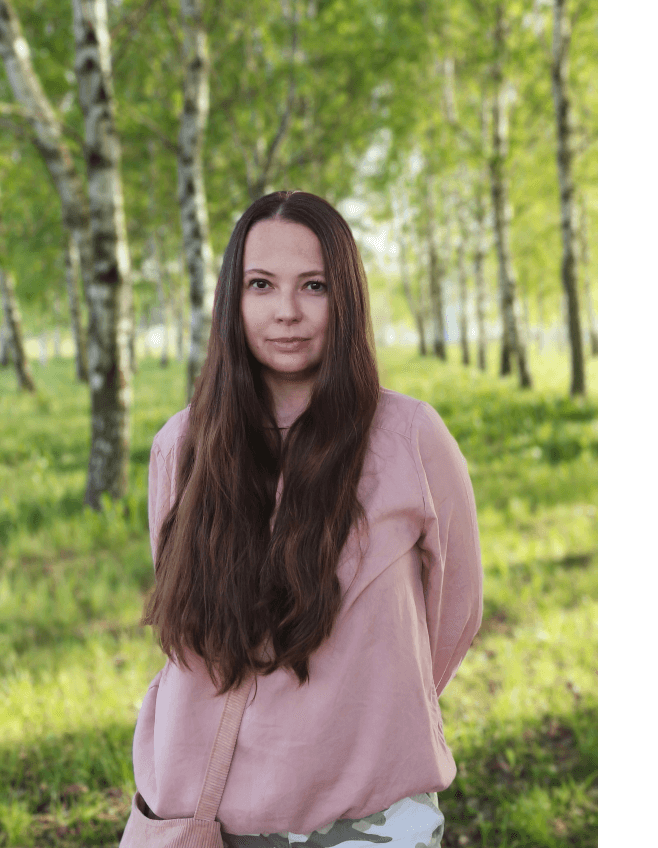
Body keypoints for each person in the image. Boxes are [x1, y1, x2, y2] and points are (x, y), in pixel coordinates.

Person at [132, 190, 482, 847]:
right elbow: (182, 597)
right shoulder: (181, 445)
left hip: (372, 818)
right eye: (261, 285)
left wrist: (363, 710)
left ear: (345, 297)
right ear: (232, 300)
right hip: (212, 815)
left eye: (314, 286)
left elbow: (454, 613)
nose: (287, 311)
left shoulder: (410, 437)